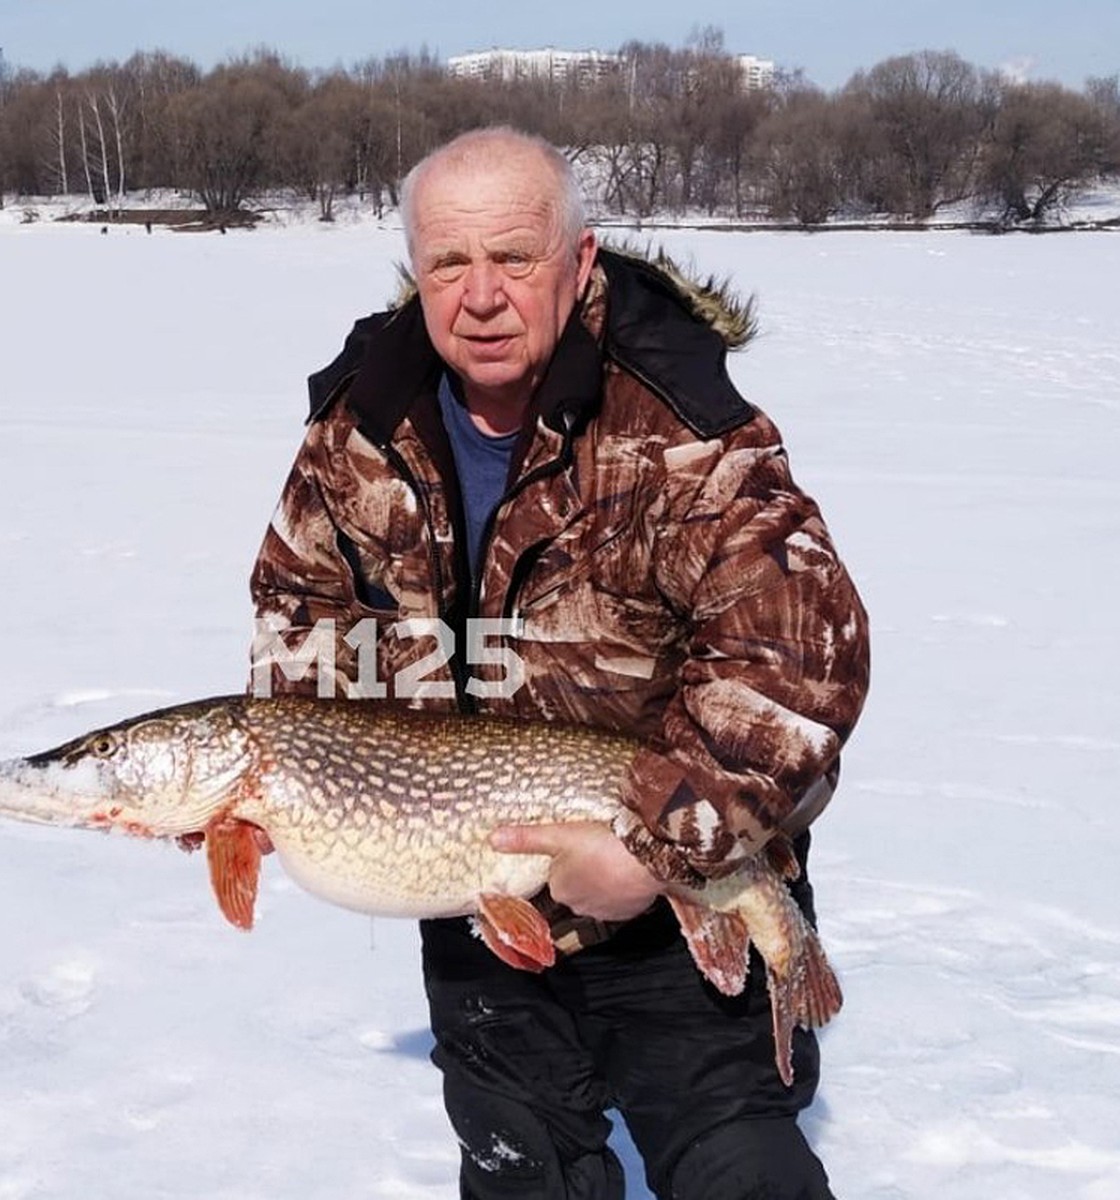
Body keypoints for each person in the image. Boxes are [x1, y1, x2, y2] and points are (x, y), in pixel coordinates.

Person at [248, 127, 869, 1199]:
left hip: (685, 896)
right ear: (417, 270)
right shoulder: (360, 432)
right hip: (474, 890)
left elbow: (798, 664)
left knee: (738, 1169)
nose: (480, 295)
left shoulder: (687, 431)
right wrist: (283, 781)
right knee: (523, 1174)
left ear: (579, 263)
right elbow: (299, 616)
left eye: (514, 258)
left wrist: (653, 850)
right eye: (449, 262)